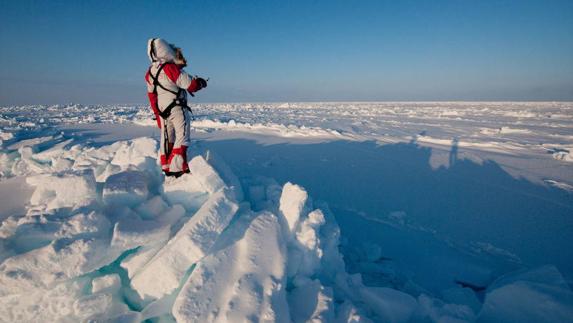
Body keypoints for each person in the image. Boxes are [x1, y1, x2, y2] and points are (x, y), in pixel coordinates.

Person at [145, 38, 208, 177]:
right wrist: (201, 83)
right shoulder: (170, 68)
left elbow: (152, 96)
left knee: (167, 138)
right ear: (165, 50)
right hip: (177, 108)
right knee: (183, 136)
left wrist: (157, 115)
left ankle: (167, 166)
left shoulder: (150, 72)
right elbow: (191, 85)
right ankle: (178, 167)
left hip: (162, 112)